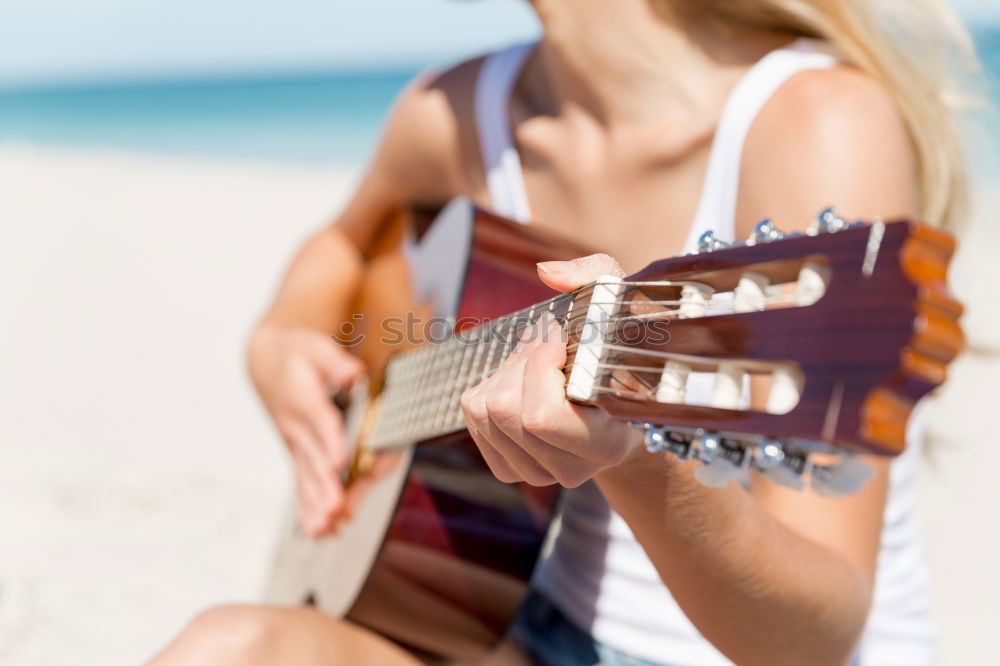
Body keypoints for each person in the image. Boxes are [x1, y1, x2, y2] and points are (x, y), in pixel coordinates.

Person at [148, 1, 974, 664]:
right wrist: (280, 335)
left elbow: (812, 641)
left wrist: (639, 462)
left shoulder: (815, 121)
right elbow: (342, 240)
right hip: (517, 618)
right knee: (226, 646)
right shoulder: (457, 110)